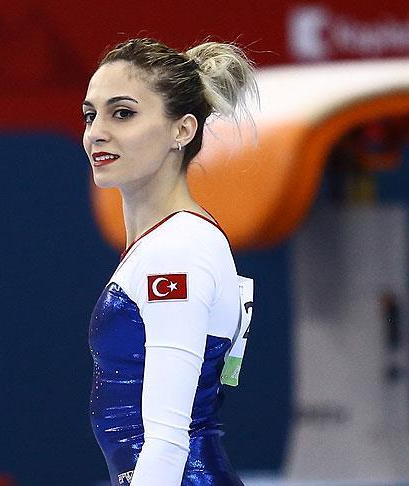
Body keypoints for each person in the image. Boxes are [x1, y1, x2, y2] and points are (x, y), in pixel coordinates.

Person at [83, 38, 258, 485]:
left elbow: (166, 440)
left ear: (182, 130)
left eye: (123, 113)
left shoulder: (177, 251)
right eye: (90, 115)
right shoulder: (164, 244)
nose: (96, 131)